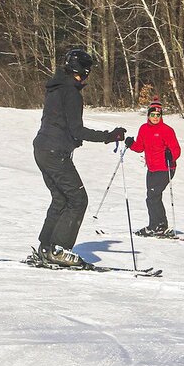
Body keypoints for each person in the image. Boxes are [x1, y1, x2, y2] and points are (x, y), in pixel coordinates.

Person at [33, 48, 126, 268]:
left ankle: (47, 247)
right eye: (89, 70)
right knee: (78, 199)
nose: (89, 74)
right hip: (55, 152)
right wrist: (109, 136)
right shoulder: (71, 92)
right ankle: (58, 250)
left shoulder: (56, 87)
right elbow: (77, 130)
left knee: (60, 199)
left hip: (43, 149)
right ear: (82, 70)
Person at [125, 97, 181, 238]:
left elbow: (176, 149)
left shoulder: (166, 130)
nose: (155, 117)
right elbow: (139, 147)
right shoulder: (144, 129)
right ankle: (160, 225)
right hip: (152, 169)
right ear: (148, 115)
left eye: (158, 115)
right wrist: (131, 143)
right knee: (153, 196)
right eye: (152, 115)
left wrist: (171, 155)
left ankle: (155, 226)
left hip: (165, 168)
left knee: (152, 196)